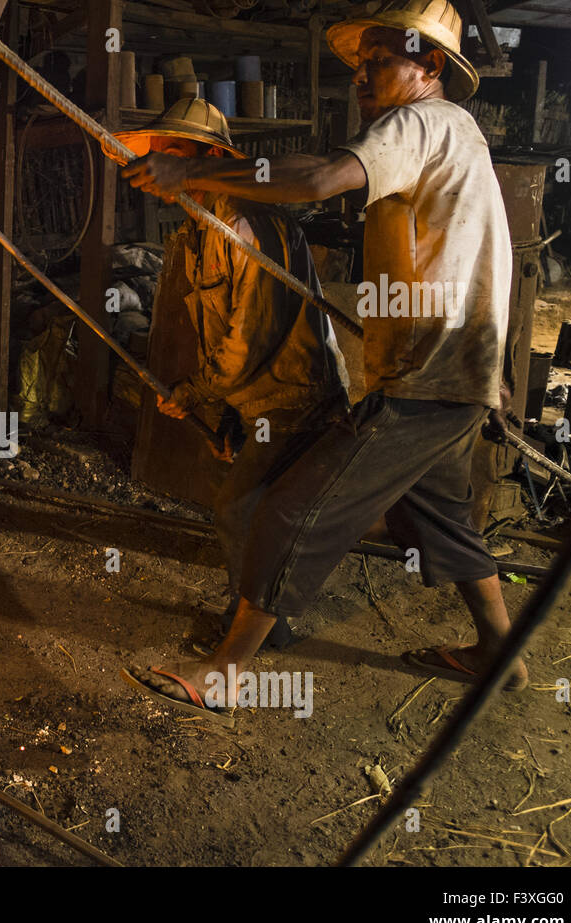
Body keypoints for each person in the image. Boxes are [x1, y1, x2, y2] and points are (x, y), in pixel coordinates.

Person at [121, 0, 523, 714]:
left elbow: (315, 180)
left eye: (380, 61)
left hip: (430, 378)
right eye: (359, 62)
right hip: (453, 372)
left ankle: (227, 671)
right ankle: (501, 650)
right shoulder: (457, 135)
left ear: (429, 66)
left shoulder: (419, 122)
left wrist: (194, 176)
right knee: (438, 518)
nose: (362, 75)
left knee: (293, 511)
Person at [112, 99, 350, 664]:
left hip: (294, 398)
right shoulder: (202, 224)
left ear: (206, 156)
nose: (157, 168)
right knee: (256, 506)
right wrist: (224, 413)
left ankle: (268, 624)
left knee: (241, 509)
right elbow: (216, 329)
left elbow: (251, 337)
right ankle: (267, 615)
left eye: (170, 153)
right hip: (258, 400)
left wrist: (195, 392)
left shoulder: (244, 221)